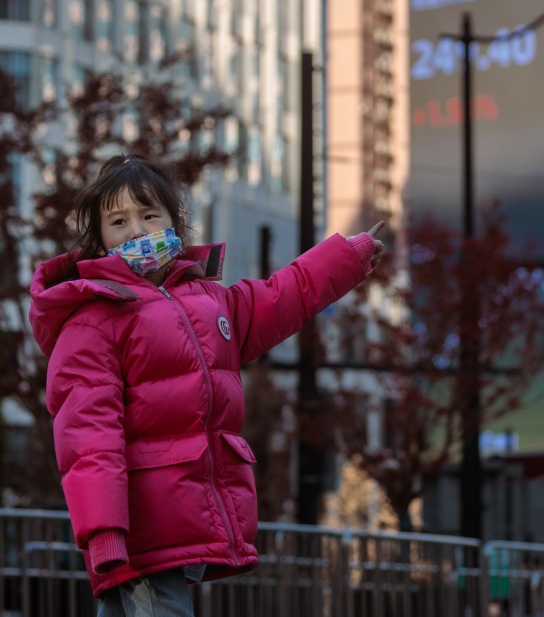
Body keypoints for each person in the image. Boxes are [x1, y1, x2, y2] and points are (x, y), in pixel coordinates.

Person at [28, 154, 384, 616]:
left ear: (175, 223)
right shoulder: (94, 318)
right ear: (98, 240)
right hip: (141, 522)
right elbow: (89, 436)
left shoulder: (206, 301)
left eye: (149, 214)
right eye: (119, 221)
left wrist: (347, 256)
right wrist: (104, 531)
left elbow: (282, 296)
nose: (137, 230)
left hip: (177, 511)